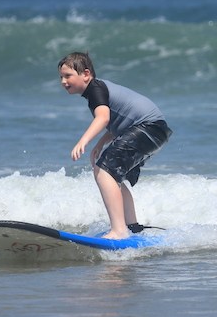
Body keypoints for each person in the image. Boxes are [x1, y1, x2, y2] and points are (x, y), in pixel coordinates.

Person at [58, 52, 172, 239]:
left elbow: (103, 118)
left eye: (68, 76)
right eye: (61, 77)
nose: (63, 81)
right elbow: (120, 120)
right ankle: (131, 226)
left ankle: (119, 230)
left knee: (105, 171)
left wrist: (83, 141)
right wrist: (100, 143)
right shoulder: (98, 90)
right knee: (112, 175)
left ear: (86, 74)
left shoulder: (95, 89)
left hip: (148, 128)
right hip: (154, 130)